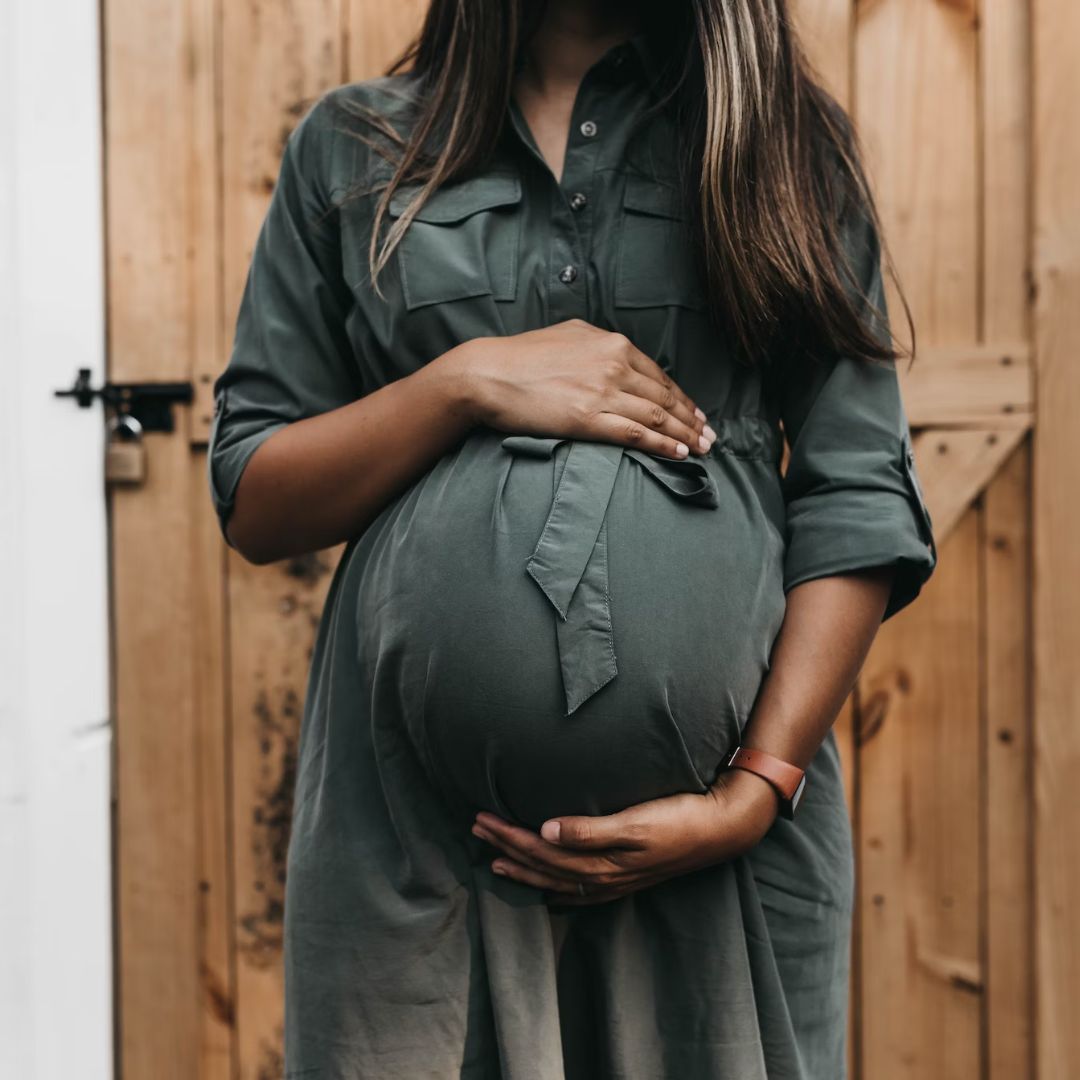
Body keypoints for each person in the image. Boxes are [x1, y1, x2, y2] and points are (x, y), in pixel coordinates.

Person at [207, 0, 938, 1076]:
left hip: (722, 854)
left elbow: (858, 490)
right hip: (417, 856)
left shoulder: (779, 142)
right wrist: (461, 385)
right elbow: (257, 496)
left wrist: (753, 794)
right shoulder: (352, 147)